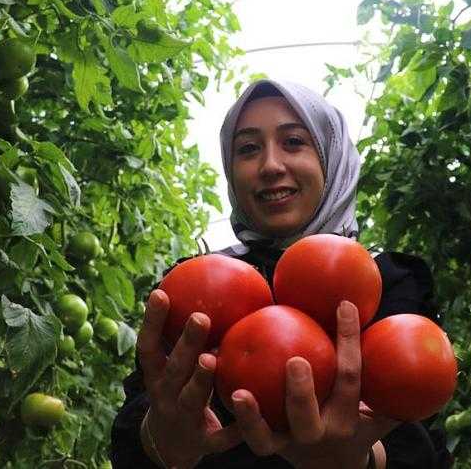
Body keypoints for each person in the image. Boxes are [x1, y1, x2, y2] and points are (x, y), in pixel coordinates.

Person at [111, 79, 453, 469]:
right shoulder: (193, 283)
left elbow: (419, 436)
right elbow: (140, 421)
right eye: (248, 149)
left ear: (331, 156)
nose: (271, 166)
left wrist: (356, 460)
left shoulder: (386, 280)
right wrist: (162, 441)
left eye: (293, 142)